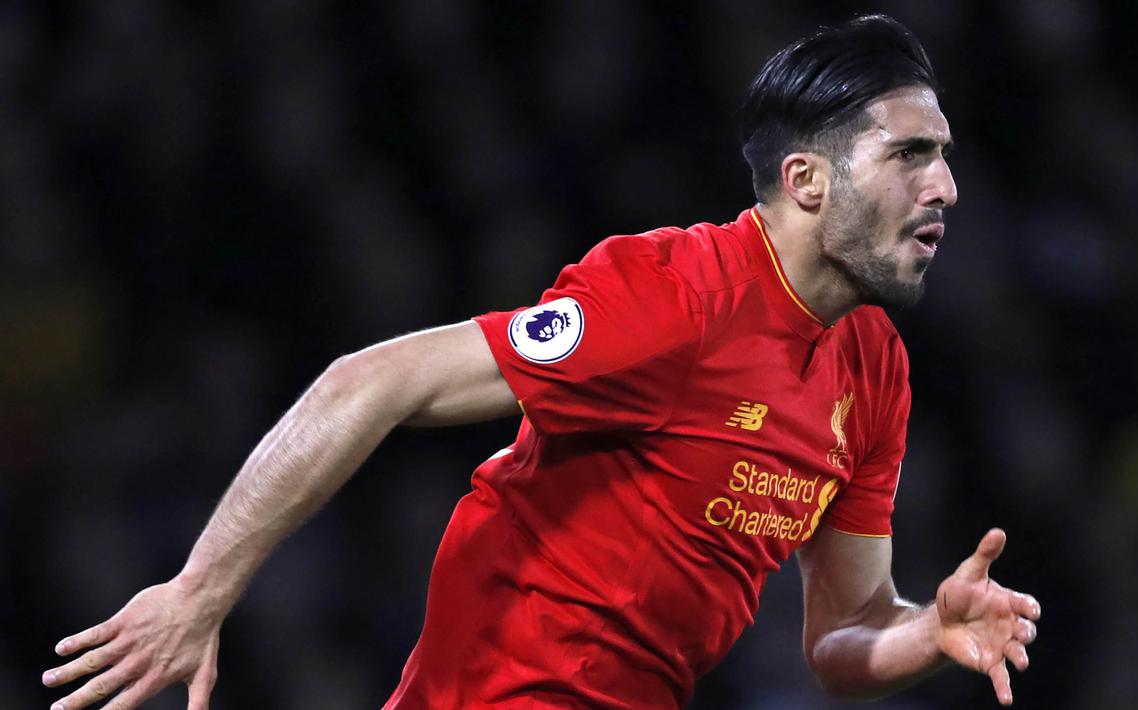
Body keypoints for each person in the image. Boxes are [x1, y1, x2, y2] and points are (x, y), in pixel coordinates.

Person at [43, 14, 1040, 710]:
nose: (946, 186)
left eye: (944, 153)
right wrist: (200, 590)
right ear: (806, 179)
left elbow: (841, 634)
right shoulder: (673, 298)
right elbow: (369, 380)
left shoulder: (873, 369)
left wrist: (927, 632)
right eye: (909, 154)